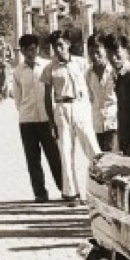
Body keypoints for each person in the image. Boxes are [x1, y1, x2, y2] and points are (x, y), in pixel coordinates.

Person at [42, 30, 100, 204]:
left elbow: (91, 85)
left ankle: (100, 188)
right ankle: (71, 193)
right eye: (55, 46)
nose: (58, 49)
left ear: (68, 44)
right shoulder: (50, 68)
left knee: (92, 148)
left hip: (80, 106)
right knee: (66, 152)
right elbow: (47, 97)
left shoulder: (81, 63)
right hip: (62, 108)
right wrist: (51, 121)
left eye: (61, 45)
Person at [13, 34, 63, 202]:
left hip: (47, 119)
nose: (31, 53)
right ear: (22, 51)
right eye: (27, 50)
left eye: (33, 49)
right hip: (27, 120)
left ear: (37, 48)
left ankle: (65, 189)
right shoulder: (18, 72)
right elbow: (18, 98)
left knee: (54, 156)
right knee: (33, 159)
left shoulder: (47, 66)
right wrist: (24, 111)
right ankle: (40, 193)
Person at [86, 35, 117, 152]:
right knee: (100, 158)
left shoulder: (114, 71)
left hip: (114, 123)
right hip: (97, 124)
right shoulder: (88, 73)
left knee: (113, 158)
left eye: (98, 52)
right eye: (91, 53)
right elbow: (90, 98)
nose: (94, 56)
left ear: (105, 51)